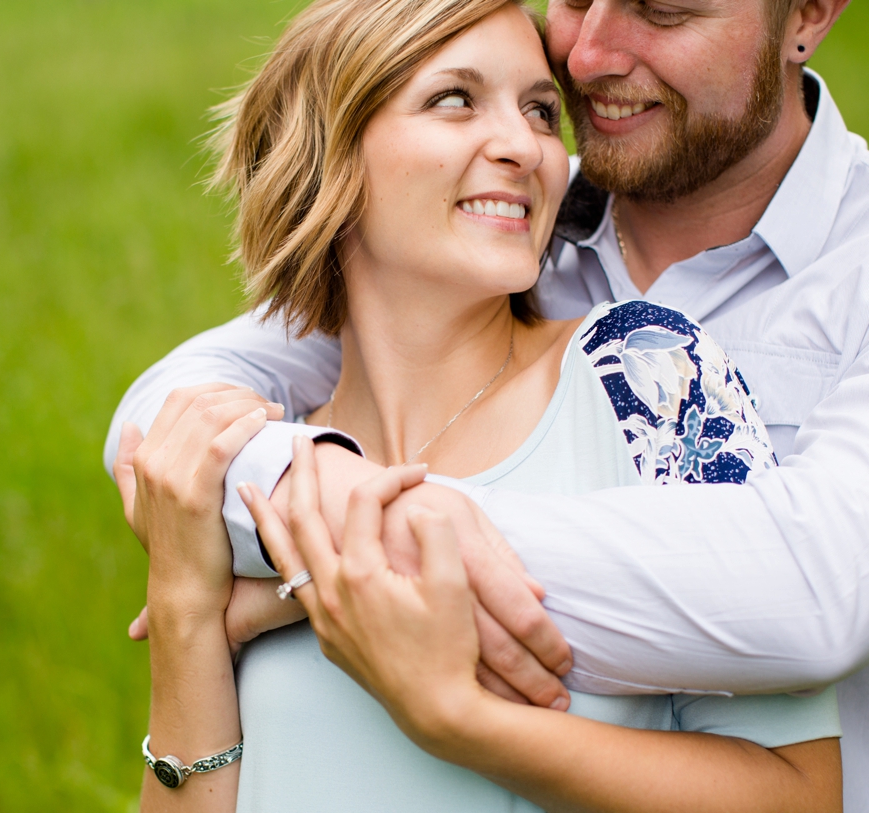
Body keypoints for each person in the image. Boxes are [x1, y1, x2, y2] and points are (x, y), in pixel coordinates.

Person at [106, 0, 869, 804]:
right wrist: (192, 606)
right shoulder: (280, 460)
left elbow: (819, 596)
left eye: (539, 112)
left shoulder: (655, 372)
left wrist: (362, 569)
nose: (587, 59)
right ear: (328, 156)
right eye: (455, 100)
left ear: (810, 13)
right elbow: (160, 414)